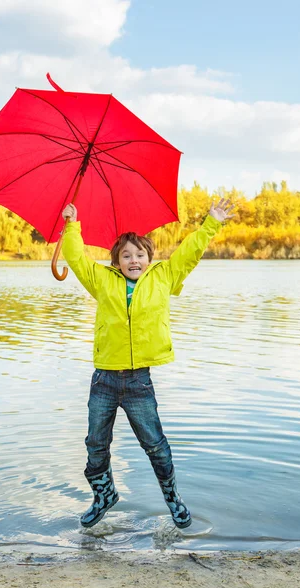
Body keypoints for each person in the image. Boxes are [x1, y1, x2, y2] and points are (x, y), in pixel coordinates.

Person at [61, 198, 234, 529]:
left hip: (139, 381)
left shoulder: (165, 275)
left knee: (155, 445)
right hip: (104, 379)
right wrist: (71, 225)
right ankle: (104, 495)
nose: (133, 260)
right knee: (95, 444)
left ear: (149, 258)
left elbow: (190, 252)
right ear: (117, 261)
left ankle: (173, 499)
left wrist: (211, 222)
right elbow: (76, 258)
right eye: (126, 255)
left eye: (139, 254)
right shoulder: (102, 281)